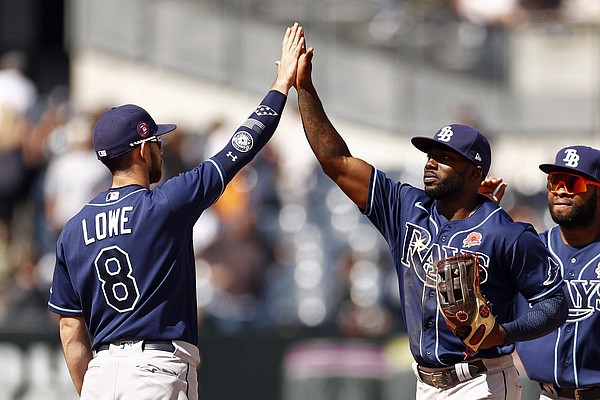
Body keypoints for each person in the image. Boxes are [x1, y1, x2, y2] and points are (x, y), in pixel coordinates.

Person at [46, 23, 305, 399]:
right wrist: (281, 85)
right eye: (156, 142)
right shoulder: (165, 204)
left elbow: (70, 330)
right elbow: (241, 146)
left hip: (101, 375)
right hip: (155, 369)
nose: (162, 150)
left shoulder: (73, 230)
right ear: (140, 150)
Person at [294, 44, 568, 399]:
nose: (430, 162)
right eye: (430, 154)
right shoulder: (406, 209)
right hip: (425, 384)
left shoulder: (505, 233)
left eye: (445, 157)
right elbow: (337, 161)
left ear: (474, 172)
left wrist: (504, 332)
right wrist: (305, 88)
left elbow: (554, 304)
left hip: (480, 383)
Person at [515, 145, 600, 400]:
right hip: (547, 395)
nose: (561, 190)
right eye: (555, 181)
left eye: (573, 182)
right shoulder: (530, 249)